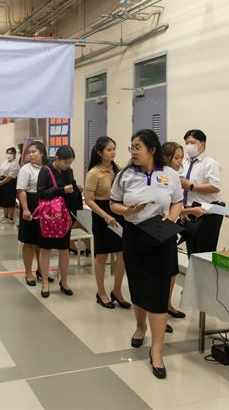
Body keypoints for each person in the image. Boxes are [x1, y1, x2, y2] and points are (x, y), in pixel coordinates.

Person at [110, 129, 183, 380]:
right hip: (134, 237)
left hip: (162, 237)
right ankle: (140, 327)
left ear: (152, 149)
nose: (133, 152)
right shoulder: (125, 175)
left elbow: (177, 201)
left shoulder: (170, 175)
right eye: (131, 147)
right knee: (139, 288)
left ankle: (157, 350)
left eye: (137, 147)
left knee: (160, 292)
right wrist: (127, 210)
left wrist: (172, 216)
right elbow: (113, 203)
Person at [161, 141, 207, 321]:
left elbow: (176, 203)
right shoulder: (162, 177)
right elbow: (166, 207)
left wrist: (182, 212)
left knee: (172, 270)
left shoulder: (174, 176)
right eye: (177, 158)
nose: (180, 162)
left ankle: (167, 305)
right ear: (166, 158)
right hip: (161, 228)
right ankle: (159, 312)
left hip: (171, 228)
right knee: (163, 272)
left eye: (181, 157)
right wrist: (191, 211)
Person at [84, 136, 132, 310]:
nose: (113, 152)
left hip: (118, 212)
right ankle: (101, 292)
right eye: (109, 150)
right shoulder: (94, 173)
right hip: (101, 215)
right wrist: (105, 216)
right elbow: (89, 200)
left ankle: (117, 291)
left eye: (114, 149)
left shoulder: (118, 169)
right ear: (100, 152)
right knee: (102, 256)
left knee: (122, 253)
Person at [36, 145, 80, 298]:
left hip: (64, 216)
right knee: (45, 249)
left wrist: (75, 188)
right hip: (49, 216)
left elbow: (71, 187)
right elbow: (41, 192)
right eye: (66, 163)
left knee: (64, 249)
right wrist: (62, 190)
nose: (68, 166)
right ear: (57, 159)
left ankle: (64, 281)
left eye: (70, 163)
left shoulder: (68, 171)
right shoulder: (45, 171)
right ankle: (45, 282)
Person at [179, 129, 223, 256]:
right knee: (192, 253)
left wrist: (192, 186)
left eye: (192, 142)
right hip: (189, 211)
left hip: (207, 213)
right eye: (186, 143)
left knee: (204, 253)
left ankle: (205, 276)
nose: (188, 146)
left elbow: (215, 186)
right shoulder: (184, 162)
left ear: (202, 144)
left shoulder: (210, 163)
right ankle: (195, 276)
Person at [16, 141, 53, 286]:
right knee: (29, 241)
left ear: (42, 153)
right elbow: (21, 190)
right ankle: (28, 272)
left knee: (42, 241)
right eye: (29, 152)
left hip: (45, 205)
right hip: (30, 204)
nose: (30, 154)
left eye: (34, 152)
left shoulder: (47, 168)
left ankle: (41, 270)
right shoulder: (26, 169)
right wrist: (25, 209)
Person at [0, 147, 20, 224]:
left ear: (14, 154)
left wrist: (2, 182)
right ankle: (5, 216)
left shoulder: (15, 164)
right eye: (8, 153)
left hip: (10, 183)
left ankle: (11, 218)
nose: (9, 155)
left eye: (11, 153)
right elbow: (1, 171)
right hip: (2, 182)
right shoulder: (5, 162)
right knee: (3, 200)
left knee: (9, 201)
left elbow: (11, 176)